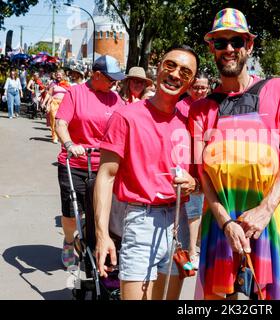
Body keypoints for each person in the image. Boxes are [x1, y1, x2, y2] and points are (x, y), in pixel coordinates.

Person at [190, 8, 280, 300]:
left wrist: (265, 210)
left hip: (265, 222)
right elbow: (203, 173)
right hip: (219, 223)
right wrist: (226, 222)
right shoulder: (201, 108)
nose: (229, 49)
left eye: (236, 41)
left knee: (261, 298)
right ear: (210, 48)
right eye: (220, 42)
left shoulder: (279, 89)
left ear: (248, 46)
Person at [94, 46, 199, 300]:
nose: (175, 75)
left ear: (191, 82)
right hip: (141, 221)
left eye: (185, 72)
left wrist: (193, 183)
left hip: (178, 223)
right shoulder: (127, 116)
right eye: (170, 65)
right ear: (159, 67)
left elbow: (199, 179)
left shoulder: (190, 122)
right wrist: (101, 234)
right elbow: (106, 176)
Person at [55, 55, 125, 268]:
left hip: (105, 165)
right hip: (76, 163)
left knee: (102, 212)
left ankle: (96, 245)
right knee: (71, 213)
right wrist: (69, 145)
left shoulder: (115, 98)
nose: (115, 83)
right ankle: (69, 240)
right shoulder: (75, 93)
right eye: (111, 79)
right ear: (96, 75)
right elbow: (61, 123)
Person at [177, 72, 210, 269]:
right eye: (196, 87)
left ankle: (197, 244)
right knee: (193, 210)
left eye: (203, 87)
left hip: (208, 164)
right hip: (188, 164)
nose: (199, 91)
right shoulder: (181, 107)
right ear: (189, 88)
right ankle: (191, 250)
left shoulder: (212, 106)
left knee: (204, 209)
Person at [44, 70, 71, 143]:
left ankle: (61, 136)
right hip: (54, 103)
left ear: (63, 75)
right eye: (57, 75)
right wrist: (45, 103)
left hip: (64, 104)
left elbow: (71, 94)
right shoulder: (53, 84)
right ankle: (54, 137)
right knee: (53, 120)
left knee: (63, 121)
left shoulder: (67, 84)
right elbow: (49, 94)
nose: (58, 76)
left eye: (60, 75)